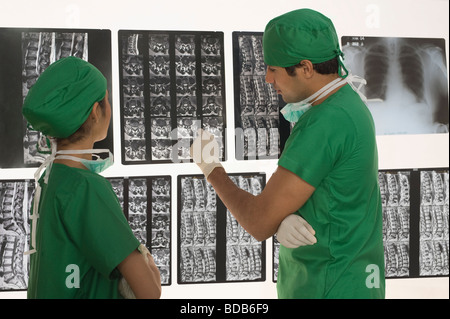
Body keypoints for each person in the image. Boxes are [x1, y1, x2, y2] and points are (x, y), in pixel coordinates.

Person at [191, 8, 385, 299]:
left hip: (328, 286)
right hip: (352, 280)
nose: (268, 79)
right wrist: (286, 218)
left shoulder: (324, 124)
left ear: (306, 68)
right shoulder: (349, 104)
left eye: (274, 68)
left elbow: (258, 222)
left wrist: (212, 170)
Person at [22, 56, 161, 299]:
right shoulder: (85, 187)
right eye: (106, 99)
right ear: (96, 112)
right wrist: (147, 263)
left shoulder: (51, 178)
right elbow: (149, 292)